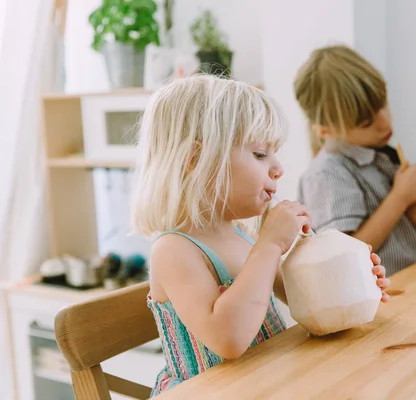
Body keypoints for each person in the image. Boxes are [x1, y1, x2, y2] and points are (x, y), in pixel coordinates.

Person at [130, 74, 391, 396]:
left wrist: (348, 281)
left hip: (264, 383)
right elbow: (228, 339)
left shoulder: (243, 236)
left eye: (274, 153)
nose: (278, 168)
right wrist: (270, 245)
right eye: (259, 154)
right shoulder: (174, 250)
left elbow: (306, 299)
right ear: (195, 161)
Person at [294, 45, 416, 276]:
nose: (385, 122)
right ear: (326, 131)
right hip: (383, 303)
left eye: (383, 104)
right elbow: (345, 259)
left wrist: (413, 211)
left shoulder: (385, 155)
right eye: (366, 123)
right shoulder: (326, 173)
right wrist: (399, 199)